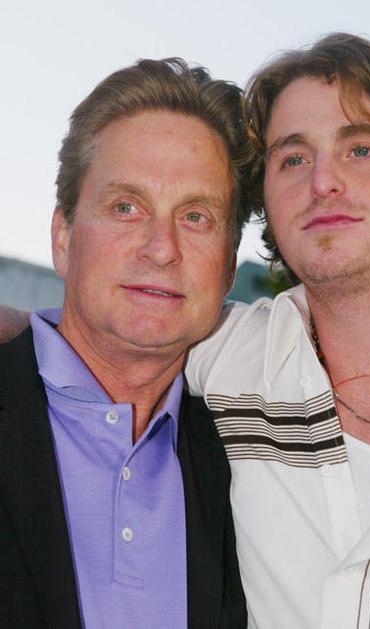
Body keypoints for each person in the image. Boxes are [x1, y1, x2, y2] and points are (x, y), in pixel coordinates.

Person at [185, 34, 370, 628]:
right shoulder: (224, 354)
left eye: (360, 149)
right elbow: (84, 336)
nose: (322, 180)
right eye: (293, 159)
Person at [0, 58, 250, 628]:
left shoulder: (254, 461)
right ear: (63, 237)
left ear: (229, 267)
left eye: (196, 216)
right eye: (126, 207)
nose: (161, 248)